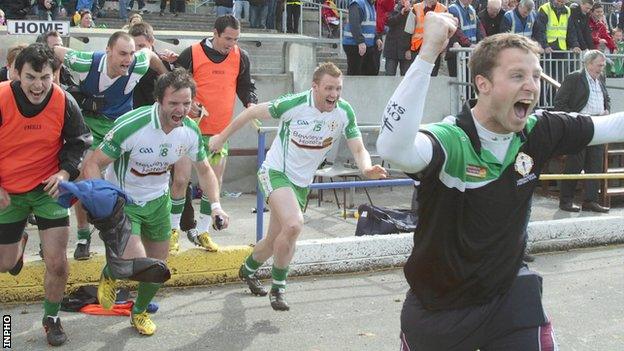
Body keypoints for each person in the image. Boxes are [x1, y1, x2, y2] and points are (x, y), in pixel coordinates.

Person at [378, 11, 624, 350]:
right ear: (483, 84)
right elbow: (393, 147)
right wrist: (427, 53)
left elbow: (612, 126)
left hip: (509, 296)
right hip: (438, 306)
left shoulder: (538, 129)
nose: (531, 85)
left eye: (536, 76)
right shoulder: (453, 139)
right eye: (517, 75)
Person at [209, 62, 387, 311]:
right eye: (328, 88)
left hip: (301, 183)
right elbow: (250, 113)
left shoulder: (344, 112)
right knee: (294, 224)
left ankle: (247, 270)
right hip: (276, 172)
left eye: (338, 89)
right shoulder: (293, 104)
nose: (334, 94)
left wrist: (366, 168)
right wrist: (220, 138)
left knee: (274, 241)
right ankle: (278, 289)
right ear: (314, 87)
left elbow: (358, 147)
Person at [82, 68, 229, 336]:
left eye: (186, 103)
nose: (181, 110)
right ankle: (112, 271)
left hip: (157, 202)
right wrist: (101, 202)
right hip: (124, 202)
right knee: (133, 262)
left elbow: (205, 170)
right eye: (174, 103)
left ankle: (138, 312)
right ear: (159, 101)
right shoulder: (133, 125)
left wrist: (217, 206)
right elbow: (93, 163)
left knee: (157, 267)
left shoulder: (190, 131)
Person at [0, 43, 91, 346]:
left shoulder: (65, 101)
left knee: (58, 263)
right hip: (7, 192)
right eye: (30, 77)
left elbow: (79, 141)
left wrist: (65, 173)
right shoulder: (1, 98)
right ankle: (19, 244)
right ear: (16, 73)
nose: (37, 86)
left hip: (47, 190)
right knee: (4, 263)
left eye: (45, 77)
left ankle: (51, 317)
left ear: (56, 74)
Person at [53, 31, 170, 260]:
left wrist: (166, 80)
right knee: (82, 176)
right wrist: (56, 86)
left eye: (131, 53)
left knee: (124, 178)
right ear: (108, 51)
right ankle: (84, 235)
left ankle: (123, 229)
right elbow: (54, 52)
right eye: (123, 53)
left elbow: (150, 55)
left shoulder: (138, 63)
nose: (128, 59)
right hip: (89, 125)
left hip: (120, 126)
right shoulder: (84, 62)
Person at [170, 15, 257, 253]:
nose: (231, 43)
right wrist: (190, 103)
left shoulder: (241, 57)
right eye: (227, 38)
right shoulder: (192, 53)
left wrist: (250, 103)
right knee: (180, 180)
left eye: (236, 39)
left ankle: (204, 231)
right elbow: (174, 84)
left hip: (220, 132)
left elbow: (245, 86)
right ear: (215, 33)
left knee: (214, 185)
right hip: (188, 129)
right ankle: (173, 230)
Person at [556, 50, 610, 213]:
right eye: (599, 64)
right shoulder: (574, 78)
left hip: (598, 124)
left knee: (595, 164)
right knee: (575, 163)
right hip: (580, 124)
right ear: (589, 63)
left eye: (603, 65)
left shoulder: (601, 78)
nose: (602, 67)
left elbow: (605, 98)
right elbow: (559, 102)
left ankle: (590, 201)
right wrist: (574, 119)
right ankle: (565, 201)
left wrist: (607, 109)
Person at [404, 0, 447, 76]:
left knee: (432, 76)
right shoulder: (416, 8)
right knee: (416, 75)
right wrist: (407, 49)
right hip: (417, 49)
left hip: (434, 49)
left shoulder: (443, 9)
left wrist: (443, 48)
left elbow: (447, 31)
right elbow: (408, 31)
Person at [446, 0, 485, 77]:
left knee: (469, 81)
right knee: (457, 81)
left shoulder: (471, 9)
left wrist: (484, 41)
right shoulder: (453, 9)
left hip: (469, 52)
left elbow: (479, 28)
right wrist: (469, 44)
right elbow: (456, 30)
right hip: (457, 53)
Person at [342, 0, 378, 75]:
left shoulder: (370, 5)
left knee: (371, 71)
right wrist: (360, 41)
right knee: (355, 73)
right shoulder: (358, 4)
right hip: (354, 44)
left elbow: (371, 25)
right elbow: (354, 24)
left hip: (366, 45)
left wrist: (377, 38)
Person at [383, 0, 412, 76]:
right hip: (391, 50)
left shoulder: (413, 11)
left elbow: (414, 32)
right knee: (389, 76)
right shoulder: (391, 7)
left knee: (406, 78)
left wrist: (410, 49)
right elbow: (388, 22)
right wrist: (401, 14)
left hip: (406, 50)